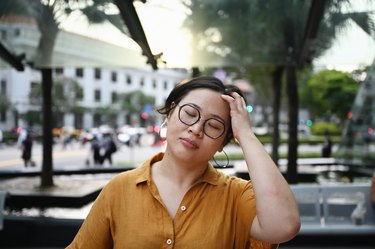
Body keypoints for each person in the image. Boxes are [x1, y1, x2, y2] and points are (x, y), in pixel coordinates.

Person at [67, 76, 300, 248]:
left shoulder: (236, 196)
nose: (196, 129)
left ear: (222, 144)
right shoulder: (120, 189)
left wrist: (245, 134)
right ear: (170, 113)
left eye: (214, 126)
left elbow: (284, 225)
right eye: (190, 113)